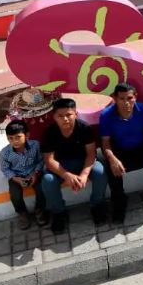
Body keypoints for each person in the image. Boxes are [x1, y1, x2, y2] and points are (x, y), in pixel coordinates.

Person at [99, 83, 143, 221]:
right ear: (114, 99)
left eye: (129, 98)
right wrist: (113, 160)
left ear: (135, 97)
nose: (126, 103)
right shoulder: (106, 116)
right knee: (111, 170)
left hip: (142, 147)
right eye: (121, 99)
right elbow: (105, 143)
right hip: (120, 150)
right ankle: (119, 203)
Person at [41, 98, 107, 233]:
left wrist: (84, 175)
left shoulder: (84, 128)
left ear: (76, 114)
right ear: (54, 116)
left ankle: (97, 205)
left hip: (83, 162)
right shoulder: (50, 132)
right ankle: (59, 212)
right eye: (60, 116)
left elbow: (91, 154)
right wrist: (66, 175)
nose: (65, 119)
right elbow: (49, 160)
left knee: (100, 172)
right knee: (48, 181)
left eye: (68, 115)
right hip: (60, 167)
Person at [0, 120, 49, 230]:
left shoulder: (35, 145)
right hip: (16, 176)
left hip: (33, 173)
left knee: (41, 189)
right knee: (15, 195)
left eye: (18, 137)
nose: (14, 141)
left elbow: (41, 160)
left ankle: (40, 210)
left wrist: (35, 174)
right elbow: (5, 169)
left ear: (27, 135)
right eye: (10, 138)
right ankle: (22, 213)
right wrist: (16, 179)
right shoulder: (5, 153)